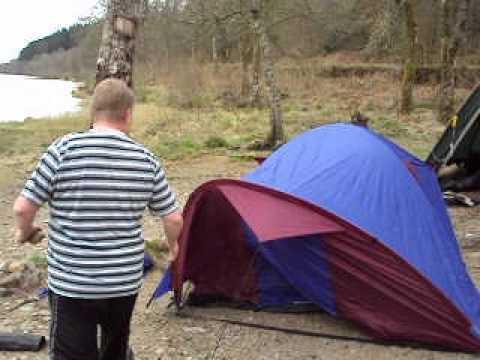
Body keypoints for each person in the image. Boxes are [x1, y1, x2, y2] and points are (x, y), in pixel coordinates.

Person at [12, 78, 183, 360]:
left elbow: (21, 209)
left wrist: (26, 231)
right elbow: (174, 218)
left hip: (72, 282)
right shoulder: (146, 158)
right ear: (128, 114)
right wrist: (173, 246)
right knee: (115, 349)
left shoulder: (63, 150)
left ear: (93, 113)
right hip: (123, 282)